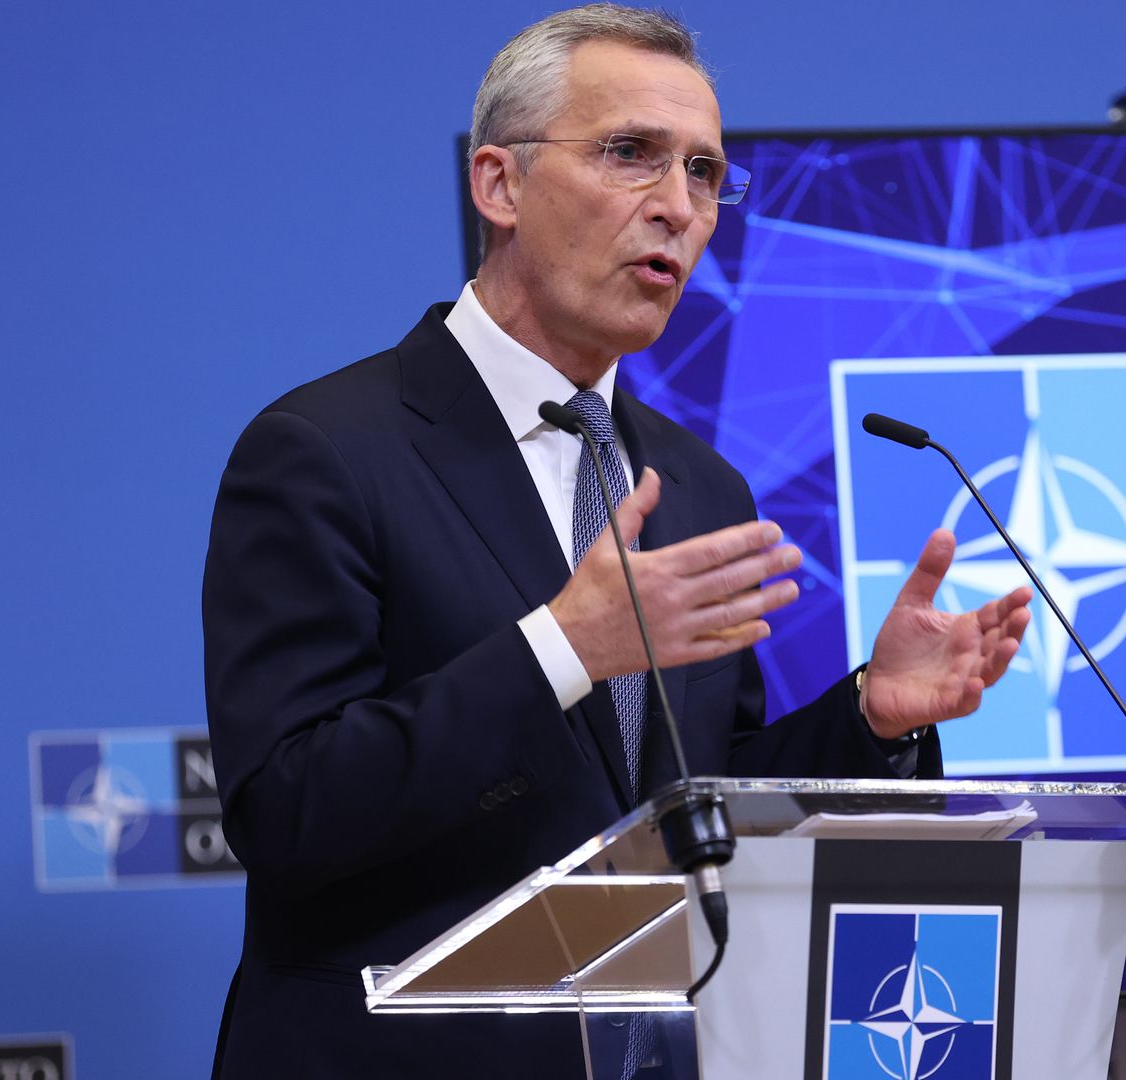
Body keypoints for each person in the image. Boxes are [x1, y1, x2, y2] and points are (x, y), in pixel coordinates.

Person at [200, 4, 1032, 1076]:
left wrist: (870, 720)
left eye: (703, 173)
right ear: (499, 185)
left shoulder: (696, 483)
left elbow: (693, 796)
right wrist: (560, 648)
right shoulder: (323, 450)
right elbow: (289, 813)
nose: (677, 208)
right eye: (631, 155)